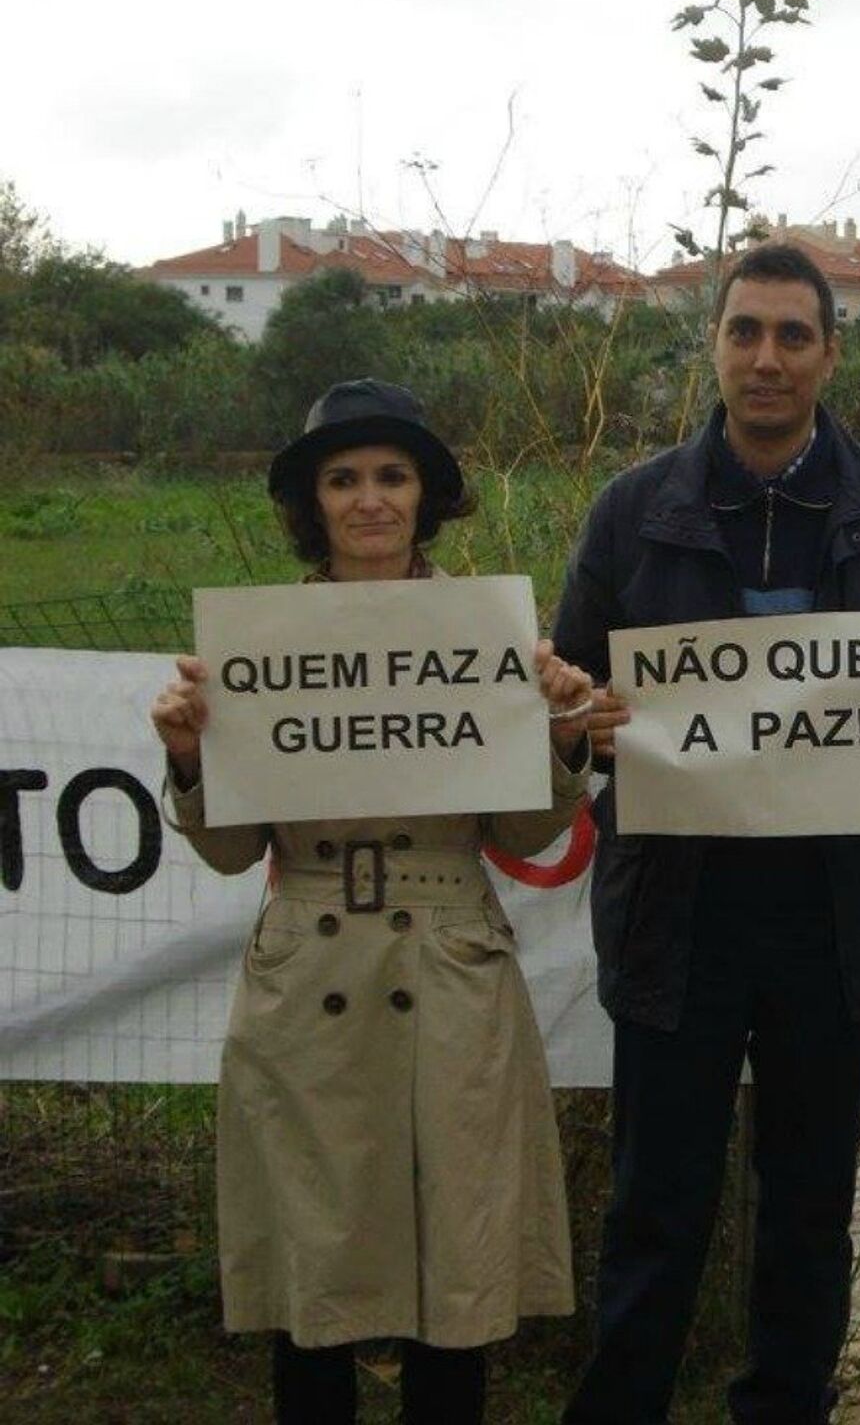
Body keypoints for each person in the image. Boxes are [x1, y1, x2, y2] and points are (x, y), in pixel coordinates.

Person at [552, 243, 860, 1424]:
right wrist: (580, 717)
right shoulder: (634, 512)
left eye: (794, 336)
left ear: (830, 354)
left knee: (810, 1208)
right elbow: (575, 696)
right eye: (746, 331)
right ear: (715, 345)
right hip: (677, 912)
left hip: (839, 916)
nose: (767, 358)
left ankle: (784, 1407)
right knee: (656, 1207)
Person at [150, 379, 595, 1425]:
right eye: (343, 480)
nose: (369, 501)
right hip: (308, 982)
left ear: (424, 496)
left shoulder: (486, 634)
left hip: (450, 982)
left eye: (392, 477)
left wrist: (561, 732)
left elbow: (526, 835)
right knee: (318, 1288)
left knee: (458, 1283)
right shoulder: (257, 649)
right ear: (315, 504)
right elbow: (225, 853)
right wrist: (186, 755)